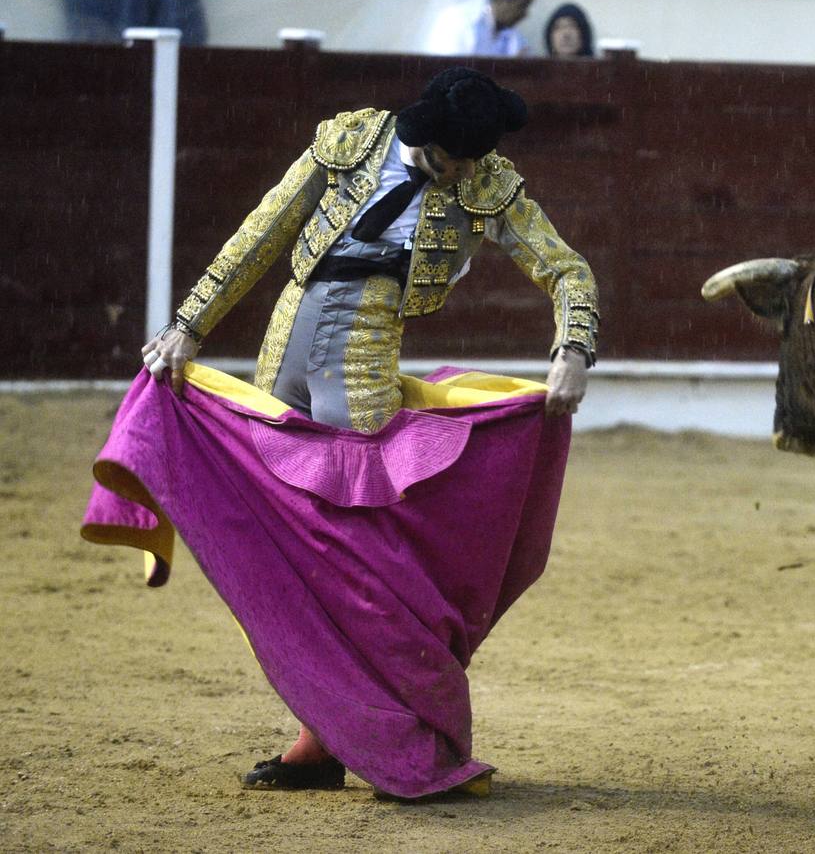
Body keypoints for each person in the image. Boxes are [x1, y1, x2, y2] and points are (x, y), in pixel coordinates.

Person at [138, 66, 599, 795]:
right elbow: (261, 233)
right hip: (282, 349)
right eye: (457, 161)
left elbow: (569, 272)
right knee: (286, 552)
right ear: (433, 142)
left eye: (472, 164)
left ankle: (379, 735)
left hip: (360, 363)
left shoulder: (487, 185)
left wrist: (572, 350)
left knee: (359, 564)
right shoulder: (354, 140)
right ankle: (322, 739)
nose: (465, 173)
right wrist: (188, 325)